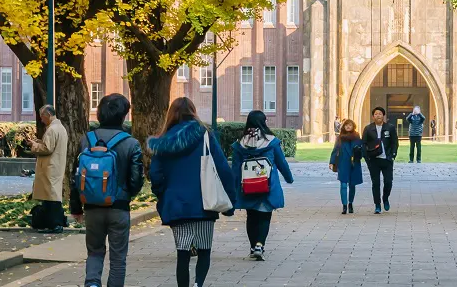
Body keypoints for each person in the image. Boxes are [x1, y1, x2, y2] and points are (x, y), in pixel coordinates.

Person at [148, 97, 236, 287]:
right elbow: (222, 168)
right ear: (193, 112)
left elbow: (155, 174)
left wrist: (163, 193)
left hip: (176, 204)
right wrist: (230, 201)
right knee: (204, 249)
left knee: (183, 252)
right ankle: (199, 284)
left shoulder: (162, 142)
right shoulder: (205, 135)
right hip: (205, 202)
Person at [70, 94, 144, 287]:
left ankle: (92, 284)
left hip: (92, 207)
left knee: (94, 252)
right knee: (118, 258)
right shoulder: (131, 143)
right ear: (123, 115)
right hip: (119, 208)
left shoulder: (86, 140)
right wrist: (126, 194)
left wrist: (76, 207)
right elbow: (136, 182)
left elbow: (75, 176)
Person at [231, 110, 294, 261]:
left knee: (251, 216)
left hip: (247, 187)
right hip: (267, 186)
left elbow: (235, 169)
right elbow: (281, 163)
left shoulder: (241, 143)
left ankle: (253, 246)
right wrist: (289, 177)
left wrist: (233, 188)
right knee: (265, 216)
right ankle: (260, 244)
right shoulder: (271, 142)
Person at [30, 105, 69, 232]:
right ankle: (55, 222)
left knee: (51, 197)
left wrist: (34, 145)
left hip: (50, 167)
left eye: (42, 117)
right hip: (56, 165)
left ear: (48, 115)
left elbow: (47, 148)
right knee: (51, 196)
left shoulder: (52, 129)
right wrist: (39, 142)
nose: (41, 120)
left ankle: (55, 224)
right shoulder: (60, 128)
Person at [361, 106, 398, 214]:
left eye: (380, 114)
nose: (378, 115)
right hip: (373, 160)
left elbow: (394, 142)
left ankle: (385, 198)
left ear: (383, 116)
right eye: (376, 114)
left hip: (386, 160)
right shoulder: (368, 129)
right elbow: (363, 144)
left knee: (388, 182)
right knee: (375, 183)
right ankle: (377, 205)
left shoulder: (390, 127)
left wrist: (392, 155)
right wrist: (367, 158)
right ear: (373, 116)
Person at [328, 119, 363, 214]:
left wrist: (359, 153)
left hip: (354, 163)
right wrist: (332, 162)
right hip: (343, 163)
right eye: (346, 125)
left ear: (353, 126)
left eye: (350, 125)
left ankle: (350, 203)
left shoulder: (357, 137)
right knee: (343, 184)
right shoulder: (340, 138)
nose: (348, 127)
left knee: (352, 185)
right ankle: (344, 205)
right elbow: (335, 150)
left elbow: (362, 150)